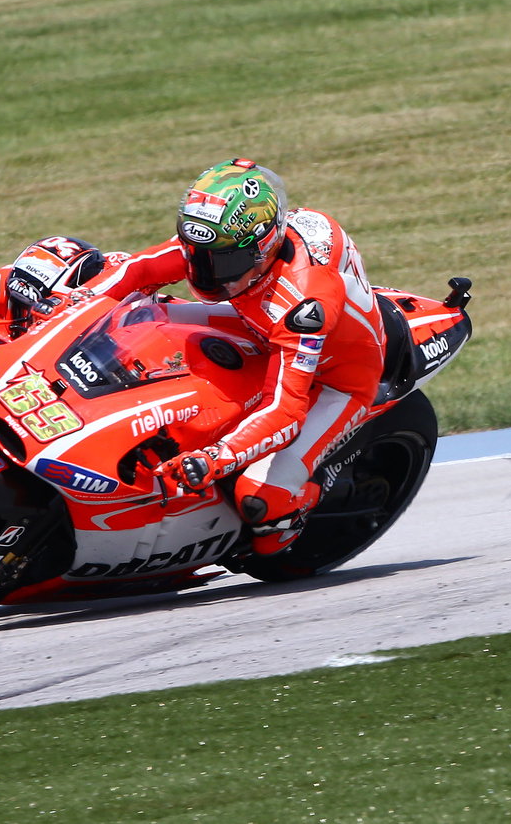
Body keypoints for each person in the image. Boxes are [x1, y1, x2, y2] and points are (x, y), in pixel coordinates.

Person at [87, 158, 386, 555]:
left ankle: (298, 510)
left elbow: (286, 411)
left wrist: (216, 458)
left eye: (222, 262)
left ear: (263, 247)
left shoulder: (304, 304)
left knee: (260, 503)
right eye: (197, 255)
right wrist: (75, 302)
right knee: (140, 319)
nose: (205, 272)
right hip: (258, 326)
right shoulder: (220, 239)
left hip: (335, 380)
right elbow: (138, 271)